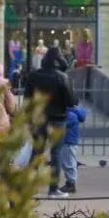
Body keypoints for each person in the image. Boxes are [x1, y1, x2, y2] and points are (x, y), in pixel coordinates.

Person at [24, 46, 77, 198]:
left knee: (36, 153)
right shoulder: (62, 77)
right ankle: (53, 190)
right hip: (58, 119)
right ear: (58, 60)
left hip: (39, 118)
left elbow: (28, 99)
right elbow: (71, 101)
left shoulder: (34, 76)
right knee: (57, 153)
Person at [61, 104, 86, 195]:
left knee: (69, 163)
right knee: (68, 162)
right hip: (69, 141)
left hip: (68, 141)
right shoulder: (73, 113)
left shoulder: (70, 115)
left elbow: (62, 125)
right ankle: (70, 182)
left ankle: (71, 183)